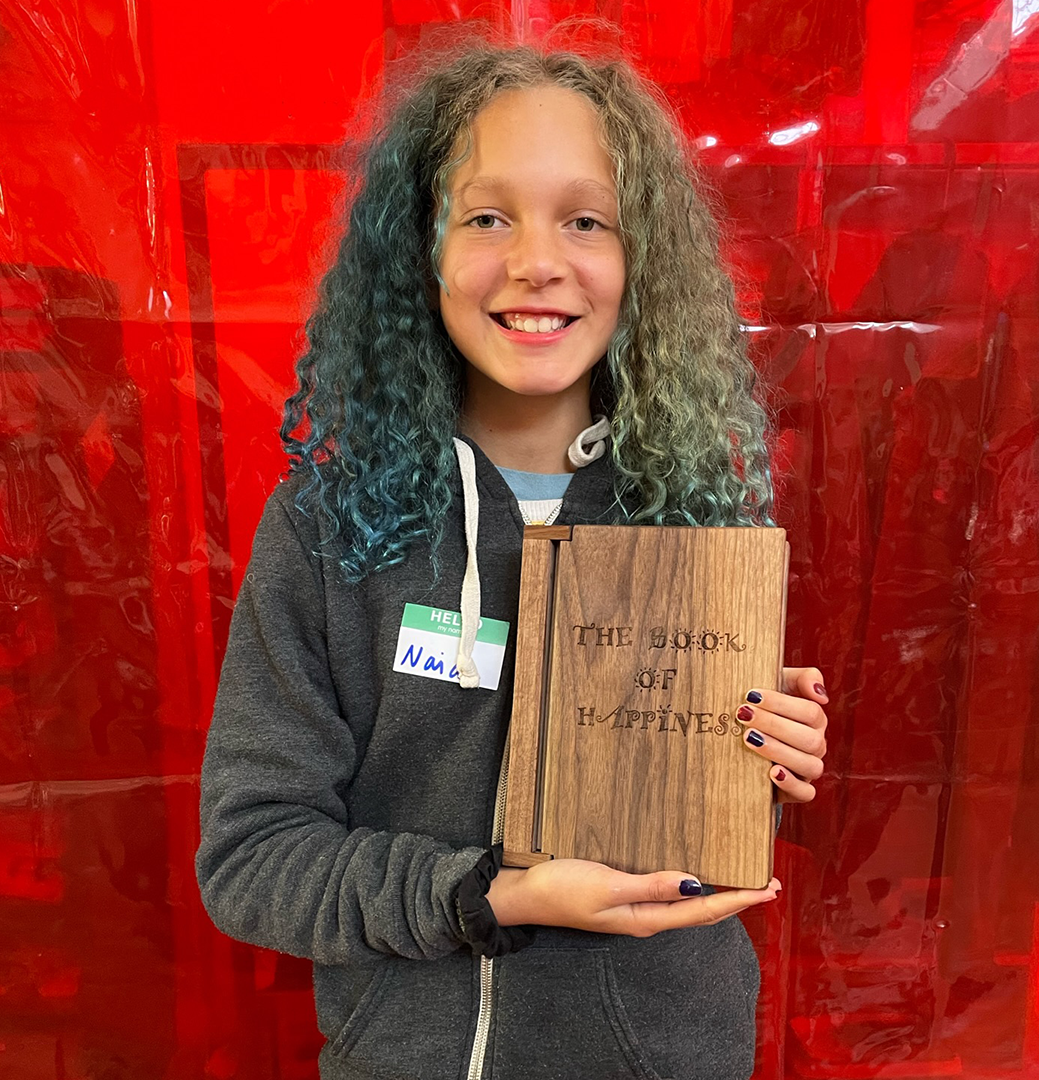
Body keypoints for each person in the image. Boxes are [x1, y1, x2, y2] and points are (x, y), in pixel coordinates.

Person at [196, 42, 829, 1080]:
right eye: (487, 216)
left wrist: (759, 746)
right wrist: (484, 896)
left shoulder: (701, 523)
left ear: (641, 259)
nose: (537, 261)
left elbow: (678, 812)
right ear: (422, 250)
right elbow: (252, 858)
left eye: (586, 219)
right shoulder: (327, 529)